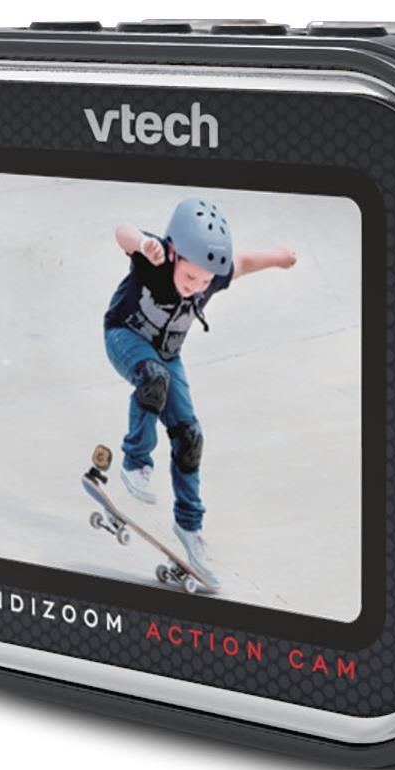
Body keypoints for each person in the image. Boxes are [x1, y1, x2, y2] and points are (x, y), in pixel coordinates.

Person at [103, 196, 297, 587]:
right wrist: (142, 243)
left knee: (190, 437)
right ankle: (136, 462)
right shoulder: (156, 256)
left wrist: (280, 257)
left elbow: (244, 262)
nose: (196, 287)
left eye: (204, 282)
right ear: (174, 253)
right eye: (190, 278)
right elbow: (122, 233)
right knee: (153, 379)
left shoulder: (212, 275)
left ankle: (190, 528)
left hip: (167, 356)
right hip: (125, 336)